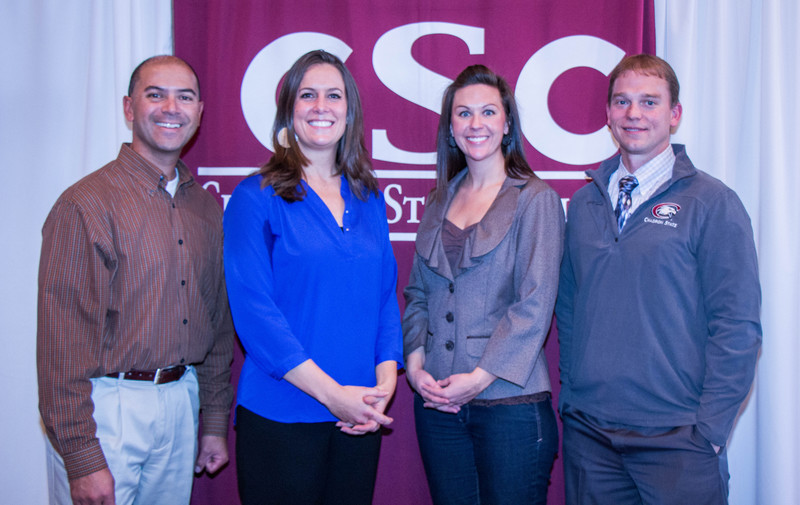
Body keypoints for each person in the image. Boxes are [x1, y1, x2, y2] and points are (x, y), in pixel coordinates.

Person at [556, 54, 762, 504]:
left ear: (674, 115)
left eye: (649, 102)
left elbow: (737, 325)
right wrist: (571, 399)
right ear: (608, 114)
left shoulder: (712, 202)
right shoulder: (585, 203)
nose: (634, 114)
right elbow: (570, 307)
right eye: (622, 102)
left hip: (678, 441)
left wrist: (708, 430)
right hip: (591, 437)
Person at [37, 55, 234, 505]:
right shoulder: (86, 205)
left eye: (184, 97)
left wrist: (214, 422)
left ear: (200, 112)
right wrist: (83, 457)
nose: (171, 107)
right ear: (129, 108)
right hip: (107, 409)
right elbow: (61, 344)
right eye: (155, 94)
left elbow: (217, 323)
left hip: (181, 401)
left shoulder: (204, 208)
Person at [223, 50, 403, 505]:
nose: (321, 106)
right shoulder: (255, 196)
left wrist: (384, 385)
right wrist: (332, 395)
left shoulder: (369, 198)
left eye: (334, 95)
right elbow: (255, 315)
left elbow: (385, 299)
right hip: (282, 414)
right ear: (289, 110)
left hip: (358, 416)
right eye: (308, 95)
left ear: (350, 112)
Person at [402, 65, 564, 505]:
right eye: (464, 114)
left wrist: (478, 379)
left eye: (488, 112)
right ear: (450, 128)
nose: (476, 124)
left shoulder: (536, 199)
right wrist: (416, 371)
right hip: (437, 406)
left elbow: (534, 304)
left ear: (507, 123)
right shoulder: (439, 200)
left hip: (509, 405)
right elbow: (417, 295)